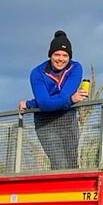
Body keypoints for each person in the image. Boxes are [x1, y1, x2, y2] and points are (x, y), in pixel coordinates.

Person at [18, 30, 86, 169]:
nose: (61, 59)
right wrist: (70, 100)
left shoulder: (76, 68)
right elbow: (45, 104)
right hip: (45, 121)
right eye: (57, 55)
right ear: (50, 55)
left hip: (68, 119)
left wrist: (32, 103)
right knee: (60, 164)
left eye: (65, 55)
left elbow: (62, 96)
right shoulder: (37, 73)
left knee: (72, 164)